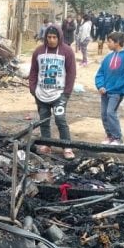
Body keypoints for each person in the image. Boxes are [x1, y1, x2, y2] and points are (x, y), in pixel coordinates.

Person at [28, 25, 77, 160]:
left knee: (60, 119)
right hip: (41, 93)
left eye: (54, 37)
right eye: (49, 37)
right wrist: (33, 89)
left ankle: (67, 146)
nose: (51, 40)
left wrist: (66, 92)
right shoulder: (38, 51)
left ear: (59, 37)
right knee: (44, 120)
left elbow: (71, 73)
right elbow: (33, 71)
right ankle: (47, 144)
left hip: (59, 94)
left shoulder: (67, 51)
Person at [95, 32, 124, 145]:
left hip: (117, 92)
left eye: (109, 41)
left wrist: (115, 87)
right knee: (104, 113)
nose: (107, 44)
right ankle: (109, 135)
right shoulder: (108, 58)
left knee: (110, 112)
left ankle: (117, 137)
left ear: (117, 42)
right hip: (105, 91)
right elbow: (100, 73)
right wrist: (100, 86)